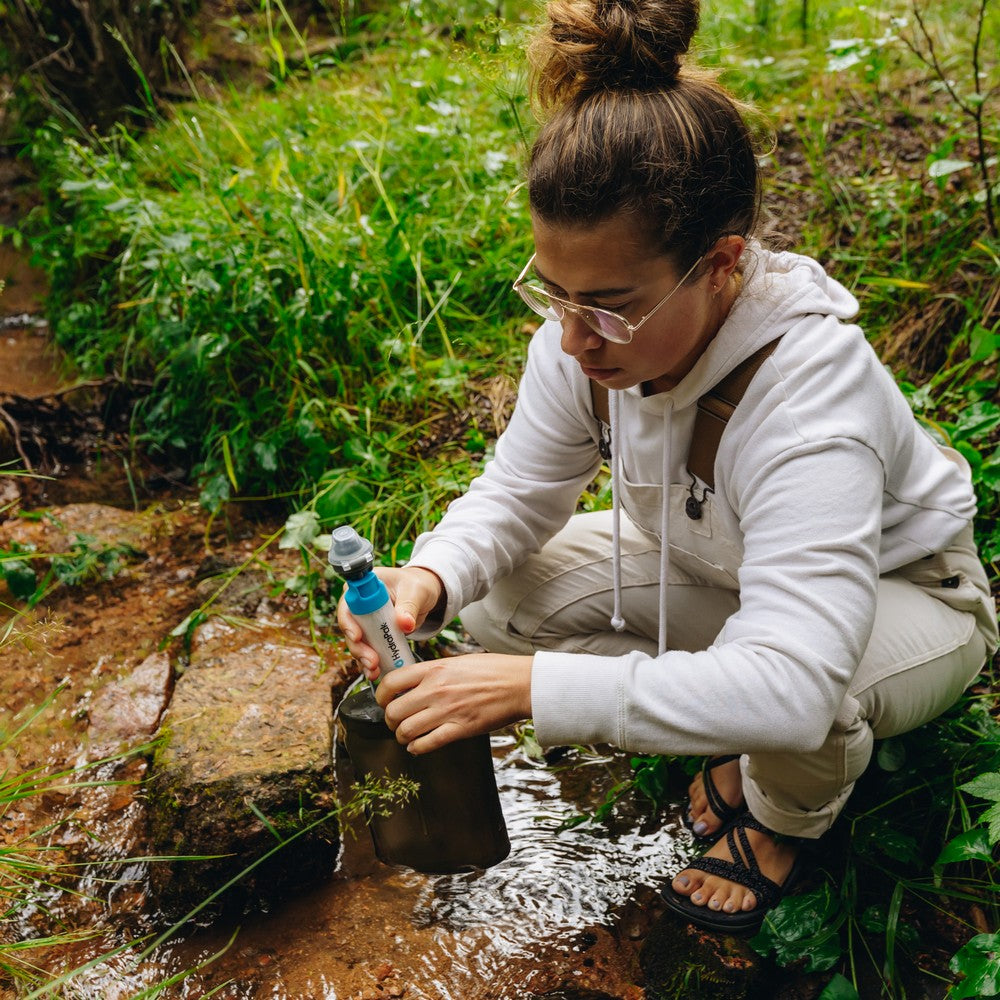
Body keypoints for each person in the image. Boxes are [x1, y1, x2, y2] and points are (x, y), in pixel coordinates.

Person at [337, 0, 998, 933]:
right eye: (552, 292)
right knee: (494, 598)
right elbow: (519, 494)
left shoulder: (811, 394)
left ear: (722, 263)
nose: (572, 338)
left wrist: (534, 691)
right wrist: (426, 578)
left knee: (811, 695)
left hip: (910, 597)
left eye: (607, 306)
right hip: (719, 567)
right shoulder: (582, 340)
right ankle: (724, 714)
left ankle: (781, 817)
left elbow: (797, 683)